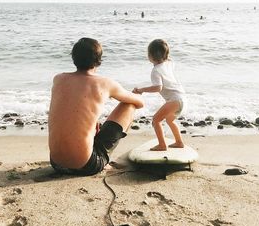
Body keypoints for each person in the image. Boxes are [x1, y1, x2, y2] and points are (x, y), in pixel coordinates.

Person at [48, 38, 144, 175]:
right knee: (129, 105)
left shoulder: (58, 79)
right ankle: (105, 159)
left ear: (74, 58)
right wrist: (135, 94)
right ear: (98, 60)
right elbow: (140, 103)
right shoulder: (104, 83)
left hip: (56, 163)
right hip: (86, 166)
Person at [133, 39, 185, 151]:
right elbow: (169, 59)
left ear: (151, 56)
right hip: (182, 99)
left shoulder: (156, 71)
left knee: (156, 120)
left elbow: (158, 87)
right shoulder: (169, 63)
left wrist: (141, 90)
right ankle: (179, 142)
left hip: (174, 100)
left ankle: (162, 145)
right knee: (170, 120)